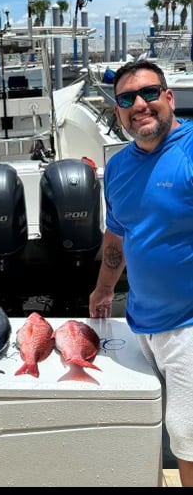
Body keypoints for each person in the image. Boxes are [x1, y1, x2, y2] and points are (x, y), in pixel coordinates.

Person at [89, 59, 193, 487]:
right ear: (118, 113)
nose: (140, 104)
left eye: (149, 93)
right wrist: (103, 289)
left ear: (169, 98)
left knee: (187, 438)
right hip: (141, 324)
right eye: (128, 99)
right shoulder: (117, 168)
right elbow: (117, 238)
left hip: (188, 325)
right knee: (155, 422)